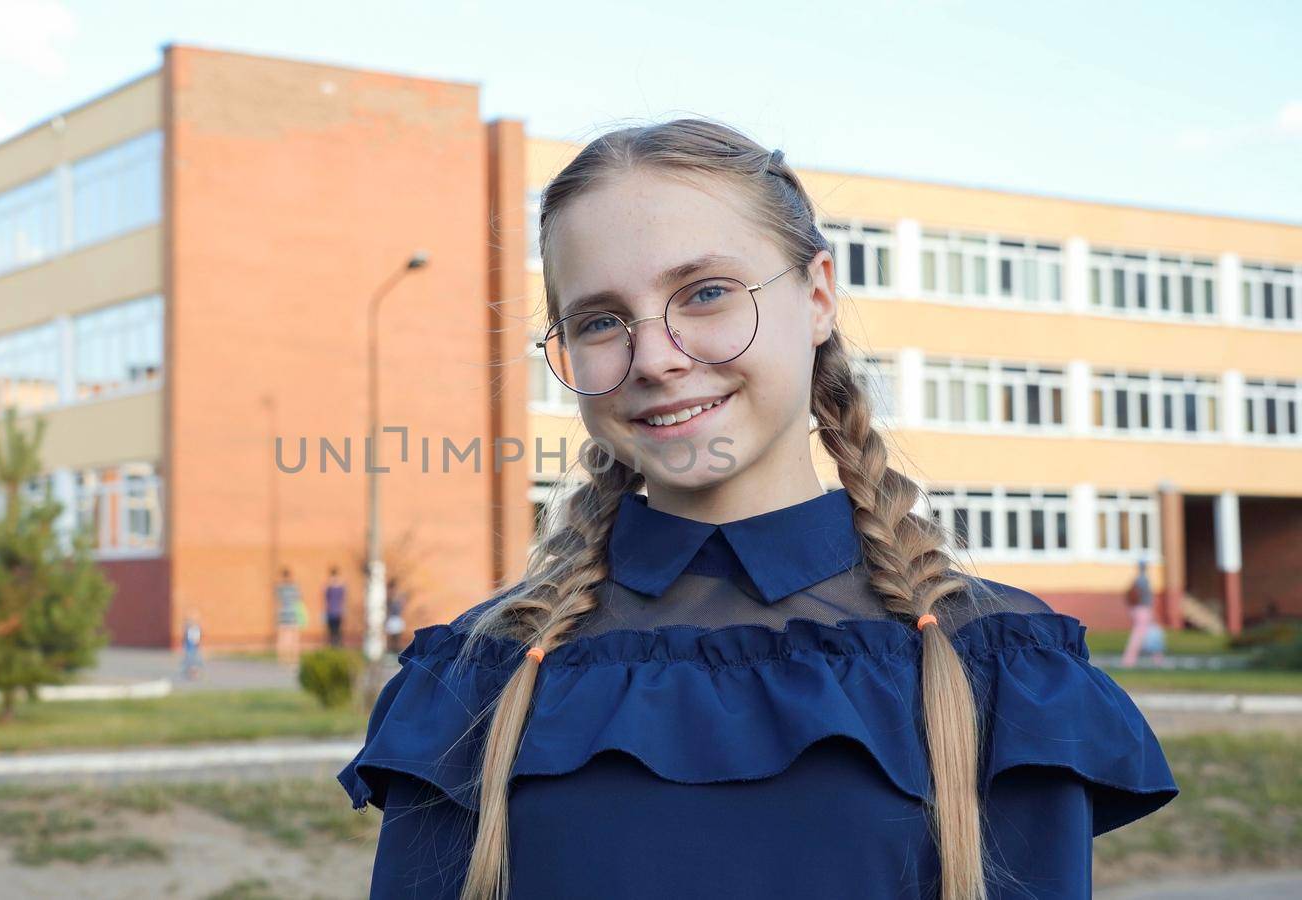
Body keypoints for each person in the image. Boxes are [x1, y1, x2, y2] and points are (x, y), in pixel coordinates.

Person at [337, 120, 1177, 899]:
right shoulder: (479, 681)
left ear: (816, 296)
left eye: (704, 293)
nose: (656, 359)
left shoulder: (998, 673)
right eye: (600, 320)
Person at [1121, 559, 1159, 668]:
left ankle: (1157, 658)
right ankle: (1129, 660)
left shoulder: (1137, 579)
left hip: (1138, 609)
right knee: (1139, 635)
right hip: (1143, 610)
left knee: (1150, 633)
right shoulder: (1143, 580)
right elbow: (1146, 597)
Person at [275, 567, 303, 669]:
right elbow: (299, 598)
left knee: (282, 639)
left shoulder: (280, 588)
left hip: (282, 614)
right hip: (292, 614)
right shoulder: (294, 587)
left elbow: (278, 599)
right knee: (294, 639)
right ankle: (294, 659)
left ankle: (282, 659)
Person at [324, 565, 348, 648]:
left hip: (335, 611)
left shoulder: (338, 586)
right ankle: (333, 645)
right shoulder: (330, 586)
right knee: (333, 630)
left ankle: (337, 645)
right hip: (333, 611)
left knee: (336, 630)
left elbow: (343, 599)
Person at [384, 576, 408, 656]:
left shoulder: (397, 597)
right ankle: (391, 652)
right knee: (392, 638)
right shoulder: (389, 597)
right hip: (392, 618)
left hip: (397, 618)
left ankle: (396, 653)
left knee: (397, 637)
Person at [179, 607, 204, 682]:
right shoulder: (188, 628)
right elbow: (185, 636)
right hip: (189, 646)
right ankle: (190, 672)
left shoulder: (196, 628)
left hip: (194, 646)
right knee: (189, 660)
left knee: (194, 660)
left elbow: (198, 637)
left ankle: (194, 672)